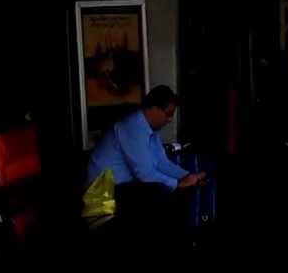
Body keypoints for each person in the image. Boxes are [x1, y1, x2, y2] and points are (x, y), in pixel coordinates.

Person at [85, 87, 206, 227]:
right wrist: (178, 184)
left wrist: (189, 177)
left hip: (121, 187)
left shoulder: (150, 131)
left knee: (172, 191)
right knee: (157, 193)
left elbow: (162, 163)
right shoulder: (133, 127)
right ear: (153, 109)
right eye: (168, 114)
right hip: (102, 193)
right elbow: (145, 174)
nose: (170, 120)